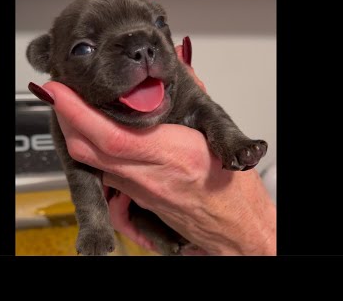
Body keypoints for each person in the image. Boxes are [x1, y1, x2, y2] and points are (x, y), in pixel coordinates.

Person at [29, 37, 277, 256]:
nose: (141, 52)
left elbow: (203, 111)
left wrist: (257, 238)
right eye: (84, 48)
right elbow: (81, 172)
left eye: (158, 25)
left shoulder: (175, 82)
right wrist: (95, 225)